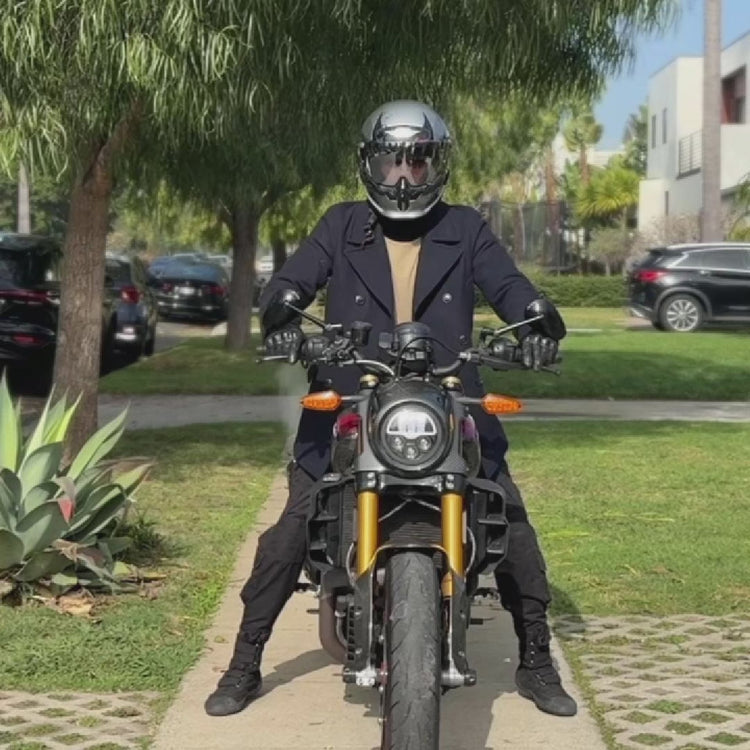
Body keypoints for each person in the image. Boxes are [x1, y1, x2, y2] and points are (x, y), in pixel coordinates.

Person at [205, 100, 577, 719]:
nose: (404, 174)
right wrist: (283, 311)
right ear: (370, 164)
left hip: (449, 394)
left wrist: (534, 321)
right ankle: (244, 663)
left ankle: (537, 661)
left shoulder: (466, 227)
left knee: (508, 518)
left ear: (437, 164)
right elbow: (293, 281)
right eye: (391, 161)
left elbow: (508, 285)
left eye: (418, 160)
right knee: (293, 527)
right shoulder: (341, 224)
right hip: (353, 396)